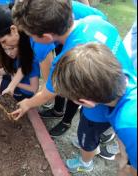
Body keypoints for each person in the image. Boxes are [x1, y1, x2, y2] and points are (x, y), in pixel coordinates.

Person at [51, 43, 137, 175]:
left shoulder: (128, 125)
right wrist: (124, 155)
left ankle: (85, 165)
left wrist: (126, 169)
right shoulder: (124, 78)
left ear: (86, 103)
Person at [39, 0, 108, 136]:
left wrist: (84, 38)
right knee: (61, 74)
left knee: (75, 81)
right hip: (63, 34)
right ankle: (58, 109)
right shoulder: (45, 14)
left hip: (80, 39)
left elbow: (101, 17)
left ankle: (66, 121)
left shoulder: (75, 11)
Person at [0, 5, 55, 101]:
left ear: (13, 29)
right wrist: (11, 85)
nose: (3, 46)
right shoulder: (24, 33)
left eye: (3, 41)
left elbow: (50, 86)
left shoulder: (39, 41)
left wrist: (29, 104)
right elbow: (23, 65)